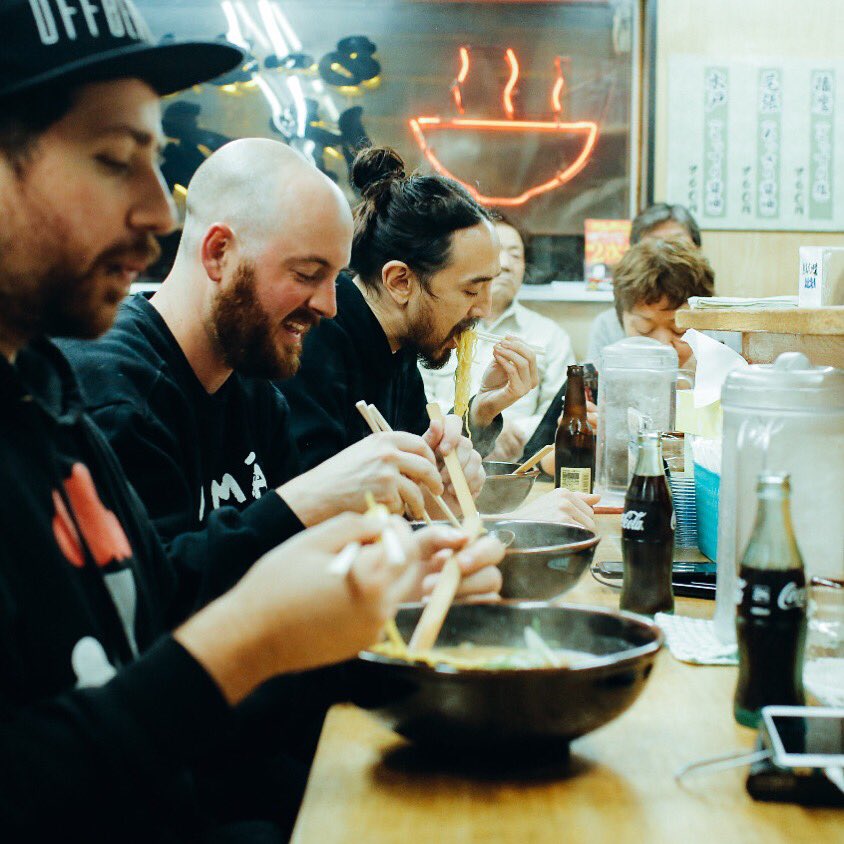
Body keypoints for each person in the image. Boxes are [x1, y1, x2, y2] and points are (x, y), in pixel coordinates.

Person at [0, 4, 504, 841]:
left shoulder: (45, 397)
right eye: (114, 159)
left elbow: (149, 615)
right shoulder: (108, 388)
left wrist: (390, 583)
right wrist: (257, 626)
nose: (158, 213)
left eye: (154, 162)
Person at [59, 138, 477, 593]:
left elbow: (300, 572)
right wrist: (309, 497)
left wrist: (423, 515)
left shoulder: (255, 392)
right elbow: (148, 603)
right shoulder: (112, 395)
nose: (330, 306)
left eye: (334, 277)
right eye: (307, 274)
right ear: (218, 253)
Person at [279, 146, 597, 529]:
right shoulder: (313, 344)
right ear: (400, 281)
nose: (483, 309)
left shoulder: (398, 344)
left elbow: (425, 484)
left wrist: (480, 413)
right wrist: (511, 526)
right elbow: (324, 527)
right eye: (471, 290)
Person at [536, 237, 715, 476]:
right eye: (644, 329)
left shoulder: (715, 386)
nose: (663, 346)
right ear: (621, 319)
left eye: (679, 330)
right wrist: (575, 446)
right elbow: (529, 465)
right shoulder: (590, 382)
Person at [420, 217, 575, 461]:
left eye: (516, 255)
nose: (507, 264)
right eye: (499, 252)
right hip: (443, 460)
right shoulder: (439, 326)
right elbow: (420, 403)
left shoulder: (550, 335)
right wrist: (479, 423)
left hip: (519, 465)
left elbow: (559, 414)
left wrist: (502, 427)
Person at [586, 203, 702, 364]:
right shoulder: (608, 324)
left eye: (679, 330)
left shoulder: (717, 318)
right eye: (644, 329)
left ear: (698, 249)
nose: (665, 253)